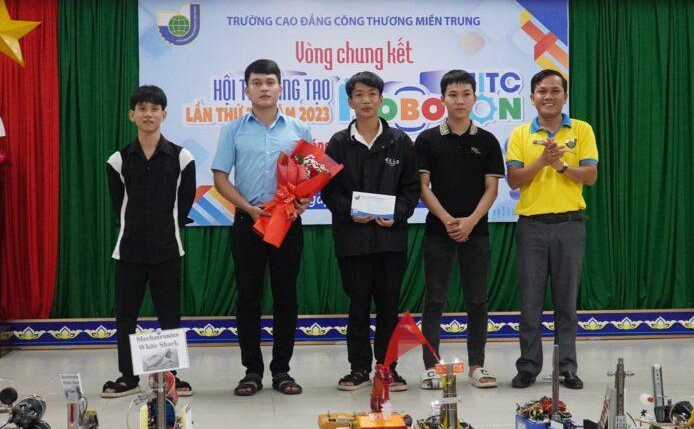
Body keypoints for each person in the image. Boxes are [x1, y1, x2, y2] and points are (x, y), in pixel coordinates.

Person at [212, 59, 312, 397]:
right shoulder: (233, 130)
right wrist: (249, 209)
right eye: (257, 83)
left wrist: (303, 202)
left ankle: (282, 370)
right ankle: (251, 371)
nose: (264, 88)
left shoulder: (299, 128)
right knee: (248, 298)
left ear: (280, 87)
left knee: (286, 297)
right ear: (247, 89)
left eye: (270, 82)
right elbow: (220, 177)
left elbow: (310, 177)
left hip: (287, 223)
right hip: (249, 222)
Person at [321, 71, 420, 392]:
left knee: (389, 307)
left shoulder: (399, 141)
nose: (366, 100)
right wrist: (350, 211)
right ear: (350, 102)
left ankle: (388, 368)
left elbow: (411, 189)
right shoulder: (338, 143)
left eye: (372, 94)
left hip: (391, 239)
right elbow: (329, 191)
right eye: (359, 95)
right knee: (358, 306)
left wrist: (397, 213)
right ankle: (359, 368)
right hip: (352, 240)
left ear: (381, 99)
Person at [505, 69, 598, 390]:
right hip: (531, 228)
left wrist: (561, 166)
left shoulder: (581, 130)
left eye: (555, 91)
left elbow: (590, 176)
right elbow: (514, 179)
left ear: (565, 96)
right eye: (542, 91)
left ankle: (566, 367)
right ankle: (528, 367)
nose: (549, 96)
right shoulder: (520, 134)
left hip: (570, 226)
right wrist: (543, 161)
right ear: (532, 98)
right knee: (530, 304)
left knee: (566, 302)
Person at [102, 85, 196, 398]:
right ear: (132, 115)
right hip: (128, 251)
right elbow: (119, 207)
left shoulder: (182, 158)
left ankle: (169, 378)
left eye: (155, 109)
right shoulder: (117, 160)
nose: (148, 114)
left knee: (169, 316)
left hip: (168, 250)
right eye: (142, 109)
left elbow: (183, 206)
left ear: (164, 114)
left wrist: (163, 230)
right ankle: (127, 377)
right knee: (125, 316)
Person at [414, 70, 505, 390]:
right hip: (438, 231)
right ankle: (431, 366)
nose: (460, 100)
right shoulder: (427, 139)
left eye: (466, 94)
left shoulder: (487, 140)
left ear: (475, 98)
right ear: (442, 98)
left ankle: (477, 365)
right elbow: (423, 187)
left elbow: (492, 189)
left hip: (476, 232)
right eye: (453, 94)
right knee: (434, 299)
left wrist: (469, 221)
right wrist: (448, 220)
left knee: (477, 299)